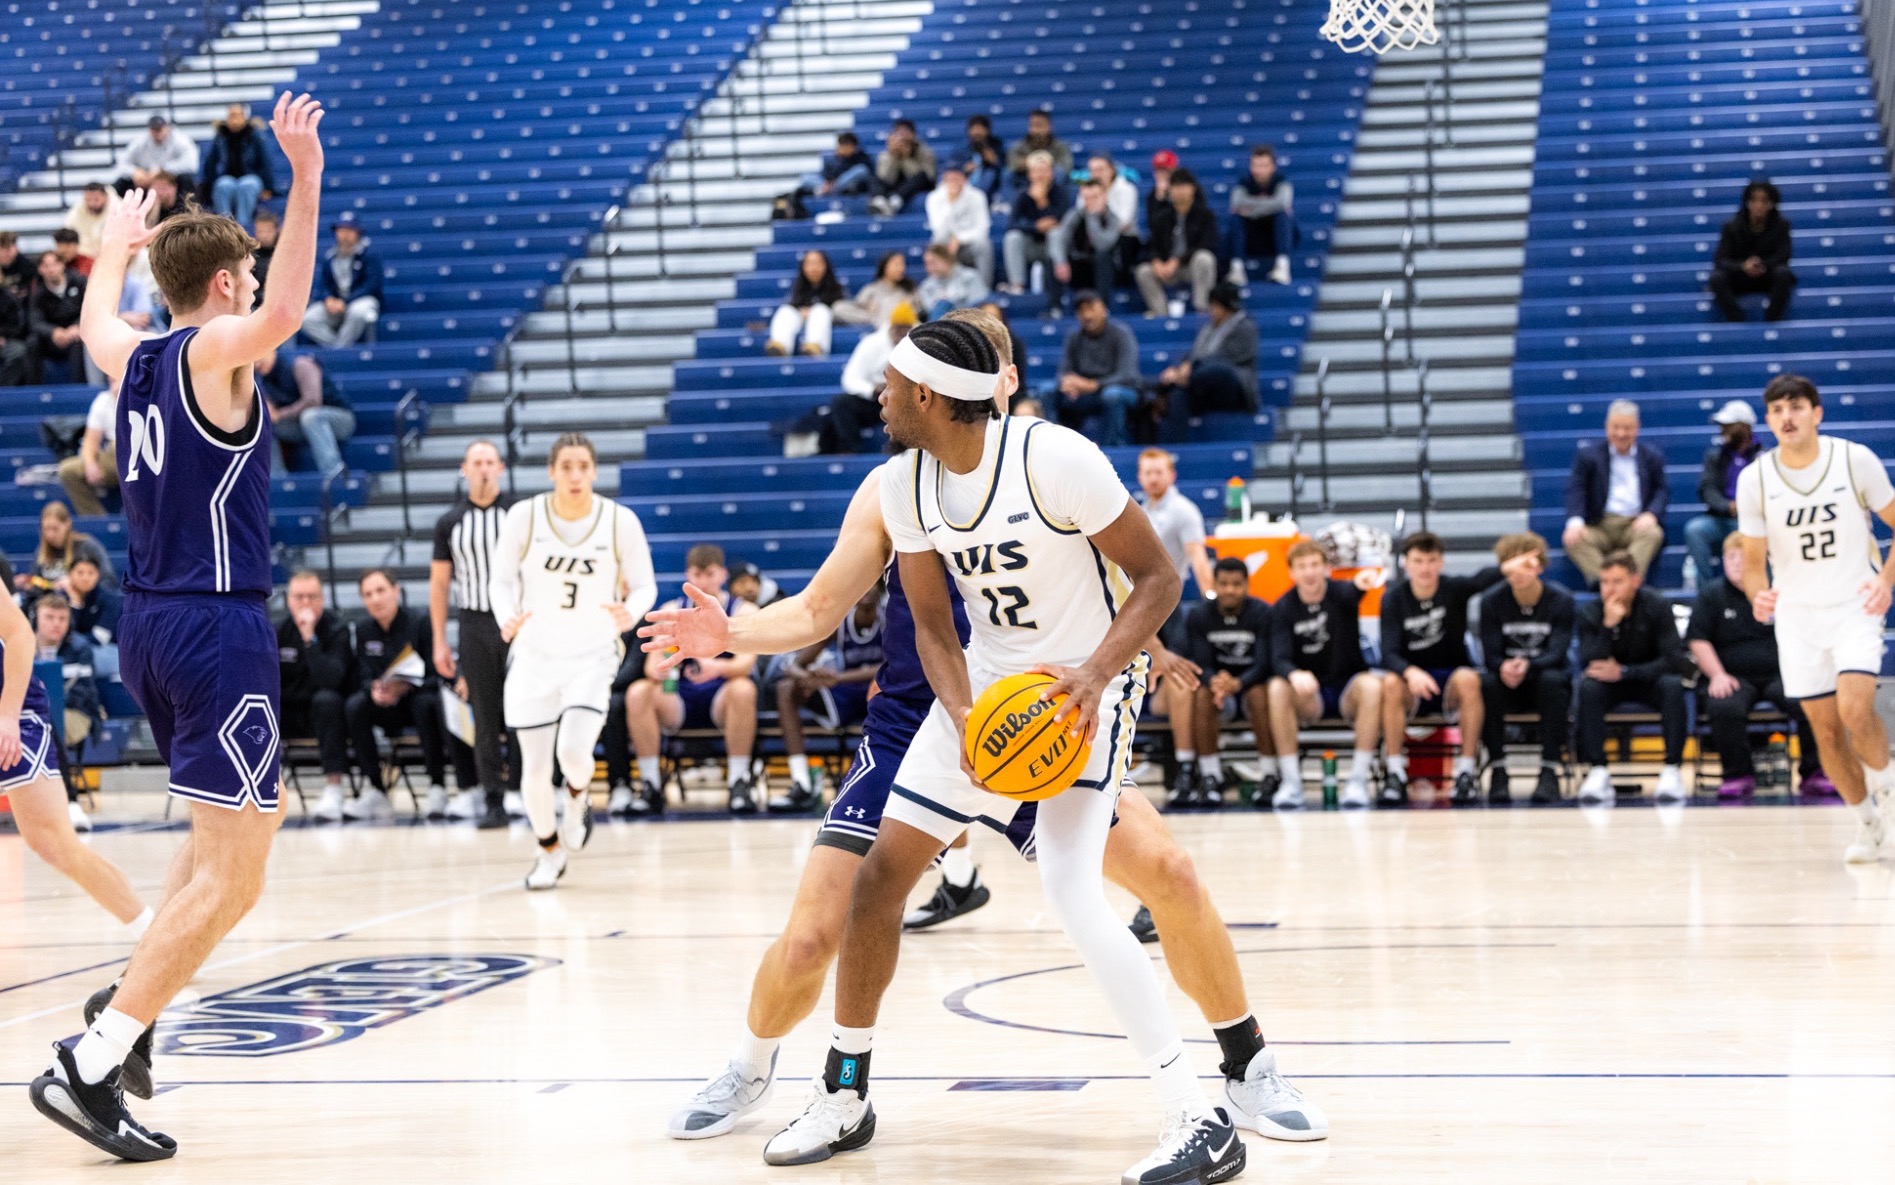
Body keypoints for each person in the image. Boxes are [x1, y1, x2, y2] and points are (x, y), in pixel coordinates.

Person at [646, 310, 1323, 1155]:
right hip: (938, 710)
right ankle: (794, 1077)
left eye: (894, 380)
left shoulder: (1054, 460)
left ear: (962, 388)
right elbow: (843, 611)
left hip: (1052, 707)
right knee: (842, 909)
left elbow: (1137, 577)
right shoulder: (899, 484)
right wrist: (734, 634)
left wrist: (1114, 665)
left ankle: (1242, 1070)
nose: (878, 391)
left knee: (1165, 875)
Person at [30, 92, 325, 1164]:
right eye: (243, 271)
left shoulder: (135, 357)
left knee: (211, 849)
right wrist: (304, 178)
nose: (251, 284)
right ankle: (95, 1056)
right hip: (215, 626)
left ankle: (130, 1011)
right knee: (238, 875)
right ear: (224, 284)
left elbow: (98, 319)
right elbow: (286, 311)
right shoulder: (209, 353)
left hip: (151, 628)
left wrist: (113, 242)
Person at [1735, 374, 1895, 863]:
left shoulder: (1853, 459)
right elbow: (1753, 562)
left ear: (1817, 413)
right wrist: (1758, 595)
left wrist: (1886, 581)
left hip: (1854, 605)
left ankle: (1889, 792)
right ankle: (1867, 823)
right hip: (1798, 618)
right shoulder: (1755, 479)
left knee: (1854, 709)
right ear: (1768, 420)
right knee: (1824, 730)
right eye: (1777, 410)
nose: (1787, 417)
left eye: (1796, 407)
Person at [490, 433, 657, 886]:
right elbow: (500, 581)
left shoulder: (619, 521)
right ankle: (548, 851)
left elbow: (645, 585)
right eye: (566, 466)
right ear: (551, 472)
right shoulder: (525, 517)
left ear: (594, 471)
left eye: (583, 466)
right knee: (534, 765)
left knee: (573, 752)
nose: (575, 475)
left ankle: (578, 794)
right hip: (534, 654)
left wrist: (631, 611)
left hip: (592, 654)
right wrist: (506, 617)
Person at [0, 575, 149, 950]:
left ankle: (154, 936)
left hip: (11, 707)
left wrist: (8, 715)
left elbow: (19, 635)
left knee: (54, 843)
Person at [1687, 531, 1828, 799]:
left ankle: (1814, 772)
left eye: (1742, 557)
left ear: (1759, 561)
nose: (1736, 563)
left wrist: (1801, 669)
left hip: (1781, 674)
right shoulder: (1712, 595)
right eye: (1730, 557)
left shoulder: (1779, 591)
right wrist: (1717, 675)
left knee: (1809, 699)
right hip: (1733, 676)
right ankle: (1737, 775)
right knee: (1724, 704)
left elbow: (1804, 632)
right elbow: (1698, 640)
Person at [623, 544, 760, 815]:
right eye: (697, 575)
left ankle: (739, 781)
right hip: (679, 697)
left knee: (744, 689)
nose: (703, 581)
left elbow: (745, 664)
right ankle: (650, 784)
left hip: (721, 697)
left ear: (722, 575)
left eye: (710, 574)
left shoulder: (742, 610)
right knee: (638, 692)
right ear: (688, 576)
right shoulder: (674, 609)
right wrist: (661, 669)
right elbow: (651, 666)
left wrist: (717, 667)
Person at [1376, 531, 1502, 807]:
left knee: (1470, 679)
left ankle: (1465, 772)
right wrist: (1410, 671)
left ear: (1441, 562)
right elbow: (1388, 652)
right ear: (1405, 563)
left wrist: (1510, 565)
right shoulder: (1393, 598)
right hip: (1412, 682)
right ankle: (1395, 772)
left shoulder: (1453, 589)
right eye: (1418, 561)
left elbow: (1483, 578)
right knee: (1390, 683)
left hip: (1449, 680)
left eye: (1431, 560)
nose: (1425, 568)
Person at [429, 440, 518, 829]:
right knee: (483, 713)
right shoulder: (450, 522)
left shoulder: (518, 515)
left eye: (489, 461)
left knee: (523, 707)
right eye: (476, 462)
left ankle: (524, 789)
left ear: (500, 468)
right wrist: (439, 640)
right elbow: (439, 585)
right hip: (473, 623)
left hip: (515, 620)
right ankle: (493, 798)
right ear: (464, 469)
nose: (483, 468)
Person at [333, 568, 460, 822]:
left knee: (427, 704)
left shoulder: (420, 622)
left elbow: (437, 675)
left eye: (380, 590)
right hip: (384, 704)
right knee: (355, 706)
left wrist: (407, 687)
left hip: (415, 701)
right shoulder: (364, 629)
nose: (375, 599)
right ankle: (376, 789)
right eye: (368, 594)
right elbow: (363, 673)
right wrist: (374, 690)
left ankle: (437, 786)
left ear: (396, 591)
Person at [1266, 540, 1379, 808]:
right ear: (1292, 572)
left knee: (1373, 686)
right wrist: (1294, 673)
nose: (1309, 572)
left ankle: (1358, 781)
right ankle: (1292, 783)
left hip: (1347, 690)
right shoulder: (1283, 607)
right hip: (1309, 695)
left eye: (1315, 565)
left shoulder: (1341, 595)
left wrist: (1362, 582)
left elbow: (1355, 590)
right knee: (1277, 687)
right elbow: (1279, 658)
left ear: (1326, 568)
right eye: (1302, 566)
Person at [1573, 551, 1688, 805]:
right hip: (1610, 686)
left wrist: (1625, 672)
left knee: (1672, 686)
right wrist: (1608, 626)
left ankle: (1672, 769)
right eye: (1605, 582)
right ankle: (1598, 770)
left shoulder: (1657, 605)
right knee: (1589, 688)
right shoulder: (1591, 611)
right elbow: (1590, 661)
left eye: (1617, 581)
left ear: (1635, 581)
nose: (1609, 589)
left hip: (1649, 681)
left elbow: (1672, 660)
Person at [1477, 532, 1576, 805]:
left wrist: (1528, 665)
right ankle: (1498, 770)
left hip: (1542, 681)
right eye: (1512, 566)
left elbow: (1557, 653)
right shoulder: (1491, 601)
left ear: (1540, 567)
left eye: (1526, 565)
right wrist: (1504, 666)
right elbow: (1490, 655)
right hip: (1507, 682)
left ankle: (1548, 770)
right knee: (1485, 683)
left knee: (1553, 680)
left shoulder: (1561, 600)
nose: (1519, 574)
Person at [1172, 557, 1275, 809]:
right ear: (1215, 585)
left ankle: (1270, 773)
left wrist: (1238, 683)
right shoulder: (1199, 615)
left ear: (1247, 585)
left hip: (1250, 684)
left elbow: (1265, 663)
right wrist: (1216, 682)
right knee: (1202, 694)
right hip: (1217, 689)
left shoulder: (1263, 613)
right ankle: (1211, 775)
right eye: (1224, 584)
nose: (1230, 590)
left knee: (1259, 694)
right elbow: (1200, 662)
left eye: (1236, 584)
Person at [772, 583, 884, 812]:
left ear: (881, 588)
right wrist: (810, 677)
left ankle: (887, 785)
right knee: (786, 689)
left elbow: (890, 665)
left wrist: (838, 677)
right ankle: (801, 781)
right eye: (862, 585)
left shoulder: (890, 617)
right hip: (845, 695)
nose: (865, 590)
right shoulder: (841, 622)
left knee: (894, 685)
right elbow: (794, 666)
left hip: (880, 692)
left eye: (871, 585)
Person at [1561, 398, 1668, 584]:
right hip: (1599, 524)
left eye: (1627, 428)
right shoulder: (1588, 456)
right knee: (1574, 539)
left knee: (1653, 533)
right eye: (1616, 427)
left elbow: (1662, 489)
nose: (1621, 433)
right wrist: (1575, 521)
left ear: (1637, 427)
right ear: (1606, 426)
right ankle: (1604, 582)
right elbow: (1576, 489)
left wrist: (1651, 514)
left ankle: (1628, 582)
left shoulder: (1651, 456)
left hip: (1634, 523)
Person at [277, 570, 354, 814]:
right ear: (288, 600)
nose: (305, 603)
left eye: (312, 597)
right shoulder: (278, 631)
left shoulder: (337, 629)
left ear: (322, 599)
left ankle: (334, 788)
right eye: (299, 597)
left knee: (327, 700)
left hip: (325, 716)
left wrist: (309, 639)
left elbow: (330, 680)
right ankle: (258, 789)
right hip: (289, 713)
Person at [1156, 281, 1259, 442]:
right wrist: (1182, 368)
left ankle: (1178, 381)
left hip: (1233, 387)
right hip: (1202, 386)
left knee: (1216, 370)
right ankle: (1179, 447)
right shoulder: (1207, 329)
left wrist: (1190, 369)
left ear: (1226, 307)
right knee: (1178, 395)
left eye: (1215, 306)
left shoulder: (1245, 327)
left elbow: (1227, 358)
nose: (1212, 310)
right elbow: (1192, 354)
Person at [1684, 400, 1761, 584]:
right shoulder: (1714, 456)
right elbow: (1706, 490)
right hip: (1721, 519)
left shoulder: (1763, 457)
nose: (1722, 430)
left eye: (1728, 426)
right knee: (1695, 530)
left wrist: (1746, 507)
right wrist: (1728, 506)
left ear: (1744, 427)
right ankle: (1706, 592)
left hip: (1752, 520)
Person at [1053, 290, 1142, 447]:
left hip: (1121, 390)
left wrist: (1094, 384)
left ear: (1104, 309)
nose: (1087, 315)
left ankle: (1111, 449)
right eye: (1081, 311)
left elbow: (1127, 375)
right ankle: (1052, 445)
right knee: (1047, 391)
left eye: (1091, 308)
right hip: (1083, 392)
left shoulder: (1122, 333)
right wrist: (1068, 383)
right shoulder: (1073, 336)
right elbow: (1063, 371)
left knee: (1112, 395)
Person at [254, 346, 354, 478]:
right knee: (264, 426)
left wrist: (280, 414)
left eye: (258, 357)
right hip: (303, 424)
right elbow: (271, 414)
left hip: (340, 418)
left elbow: (313, 401)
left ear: (271, 350)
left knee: (311, 417)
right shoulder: (262, 380)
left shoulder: (300, 364)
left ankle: (333, 472)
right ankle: (277, 478)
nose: (256, 363)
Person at [829, 303, 916, 454]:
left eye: (905, 330)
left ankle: (909, 452)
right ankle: (850, 450)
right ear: (891, 327)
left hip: (903, 401)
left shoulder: (916, 345)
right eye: (899, 329)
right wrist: (872, 389)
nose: (901, 334)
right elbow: (850, 378)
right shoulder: (871, 344)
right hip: (875, 401)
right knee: (842, 403)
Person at [1135, 167, 1220, 315]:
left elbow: (1208, 244)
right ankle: (1161, 314)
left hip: (1191, 266)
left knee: (1205, 259)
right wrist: (1156, 261)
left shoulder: (1205, 215)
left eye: (1183, 186)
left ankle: (1202, 308)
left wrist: (1178, 260)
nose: (1179, 191)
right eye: (1175, 186)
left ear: (1192, 188)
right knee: (1143, 271)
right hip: (1168, 269)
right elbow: (1153, 244)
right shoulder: (1162, 217)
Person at [32, 592, 102, 771]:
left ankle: (61, 781)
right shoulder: (23, 646)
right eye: (49, 617)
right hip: (33, 713)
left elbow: (84, 694)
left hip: (76, 713)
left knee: (47, 726)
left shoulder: (81, 648)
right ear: (35, 618)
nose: (56, 623)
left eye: (62, 618)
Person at [1709, 179, 1795, 322]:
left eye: (1764, 201)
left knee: (1784, 274)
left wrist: (1761, 264)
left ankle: (1771, 322)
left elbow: (1783, 256)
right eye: (1754, 200)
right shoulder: (1731, 227)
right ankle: (1738, 321)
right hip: (1740, 277)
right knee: (1717, 278)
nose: (1759, 206)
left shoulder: (1782, 226)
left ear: (1771, 203)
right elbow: (1721, 260)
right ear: (1747, 202)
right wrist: (1743, 266)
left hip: (1767, 275)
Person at [299, 215, 382, 346]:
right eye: (341, 230)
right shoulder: (329, 257)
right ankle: (337, 348)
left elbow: (371, 285)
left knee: (358, 312)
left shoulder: (369, 255)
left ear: (358, 232)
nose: (345, 235)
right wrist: (328, 299)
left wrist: (346, 301)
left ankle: (340, 350)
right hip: (336, 304)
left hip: (361, 300)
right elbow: (323, 284)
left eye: (349, 230)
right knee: (307, 319)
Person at [1048, 177, 1127, 309]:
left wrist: (1092, 218)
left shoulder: (1113, 219)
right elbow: (1059, 238)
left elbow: (1102, 244)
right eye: (1086, 198)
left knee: (1103, 257)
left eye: (1095, 197)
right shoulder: (1075, 215)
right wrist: (1061, 262)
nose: (1090, 202)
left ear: (1105, 197)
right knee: (1054, 259)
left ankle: (1102, 307)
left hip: (1103, 269)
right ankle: (1055, 308)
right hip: (1078, 266)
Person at [1000, 151, 1070, 295]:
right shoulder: (1022, 196)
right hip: (1031, 245)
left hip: (1055, 245)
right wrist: (1035, 226)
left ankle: (1060, 281)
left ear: (1051, 173)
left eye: (1044, 171)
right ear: (1030, 174)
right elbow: (1012, 223)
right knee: (1012, 237)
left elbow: (1062, 219)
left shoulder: (1061, 193)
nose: (1040, 175)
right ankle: (1017, 286)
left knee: (1056, 233)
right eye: (1036, 171)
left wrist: (1042, 202)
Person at [15, 503, 114, 602]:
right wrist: (29, 584)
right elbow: (36, 583)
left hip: (83, 603)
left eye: (55, 529)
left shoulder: (87, 546)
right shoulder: (41, 551)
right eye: (46, 529)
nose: (50, 534)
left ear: (67, 524)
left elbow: (108, 579)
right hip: (50, 605)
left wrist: (77, 584)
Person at [1226, 145, 1295, 286]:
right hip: (1251, 237)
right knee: (1236, 219)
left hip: (1273, 237)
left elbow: (1282, 203)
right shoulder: (1244, 182)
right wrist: (1269, 205)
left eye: (1263, 166)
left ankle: (1282, 266)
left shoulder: (1282, 181)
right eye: (1255, 165)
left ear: (1272, 167)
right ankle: (1237, 269)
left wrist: (1251, 209)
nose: (1258, 170)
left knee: (1282, 216)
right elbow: (1236, 203)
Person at [199, 103, 276, 228]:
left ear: (245, 117)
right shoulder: (221, 136)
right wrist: (208, 185)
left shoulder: (255, 135)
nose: (235, 119)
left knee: (247, 185)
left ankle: (242, 225)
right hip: (228, 177)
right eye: (232, 115)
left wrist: (268, 187)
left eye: (238, 115)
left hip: (251, 177)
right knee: (222, 185)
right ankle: (224, 225)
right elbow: (210, 163)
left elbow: (266, 161)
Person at [923, 164, 994, 287]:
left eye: (956, 178)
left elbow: (982, 229)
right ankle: (938, 288)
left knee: (984, 244)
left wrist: (959, 238)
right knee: (936, 243)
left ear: (964, 179)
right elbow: (938, 228)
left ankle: (984, 289)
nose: (953, 182)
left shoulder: (977, 196)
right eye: (949, 179)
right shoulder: (934, 197)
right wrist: (951, 203)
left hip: (969, 245)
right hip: (946, 245)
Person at [766, 249, 843, 357]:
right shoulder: (797, 288)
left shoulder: (837, 288)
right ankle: (779, 346)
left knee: (820, 310)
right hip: (800, 320)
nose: (813, 268)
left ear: (826, 265)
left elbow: (840, 309)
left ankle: (814, 347)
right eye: (809, 264)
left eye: (817, 263)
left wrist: (812, 311)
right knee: (786, 311)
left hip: (825, 320)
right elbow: (794, 304)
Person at [58, 382, 119, 516]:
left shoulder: (145, 396)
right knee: (67, 471)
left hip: (142, 455)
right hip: (112, 457)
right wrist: (90, 463)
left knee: (119, 446)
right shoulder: (103, 400)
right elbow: (90, 440)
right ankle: (97, 520)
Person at [29, 250, 87, 382]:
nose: (51, 269)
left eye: (54, 264)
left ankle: (78, 389)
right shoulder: (38, 293)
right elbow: (35, 321)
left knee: (80, 343)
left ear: (62, 265)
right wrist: (53, 331)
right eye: (46, 266)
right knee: (32, 343)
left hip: (77, 333)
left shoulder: (79, 282)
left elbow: (90, 309)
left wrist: (77, 326)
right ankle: (33, 389)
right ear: (40, 269)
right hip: (52, 339)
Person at [112, 115, 199, 194]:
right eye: (154, 130)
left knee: (186, 179)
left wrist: (163, 169)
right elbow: (121, 164)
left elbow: (191, 164)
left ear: (167, 128)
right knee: (121, 183)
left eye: (159, 129)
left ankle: (186, 205)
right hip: (146, 180)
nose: (157, 133)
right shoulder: (139, 142)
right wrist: (135, 172)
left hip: (171, 179)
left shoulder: (180, 140)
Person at [869, 118, 935, 216]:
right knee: (874, 178)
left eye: (905, 132)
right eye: (898, 133)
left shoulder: (925, 152)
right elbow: (885, 177)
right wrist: (893, 156)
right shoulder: (886, 154)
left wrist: (906, 157)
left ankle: (893, 204)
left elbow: (928, 177)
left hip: (915, 186)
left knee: (921, 176)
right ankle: (880, 202)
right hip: (895, 184)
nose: (902, 137)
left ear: (913, 134)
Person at [832, 250, 915, 328]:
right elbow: (858, 306)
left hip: (899, 326)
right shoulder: (871, 289)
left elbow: (916, 310)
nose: (901, 268)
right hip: (873, 321)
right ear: (885, 266)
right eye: (896, 264)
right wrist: (872, 313)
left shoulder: (909, 289)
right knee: (838, 307)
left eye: (902, 265)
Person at [916, 242, 988, 321]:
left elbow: (980, 302)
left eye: (933, 263)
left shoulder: (970, 277)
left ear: (946, 260)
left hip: (970, 320)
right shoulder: (926, 286)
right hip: (940, 323)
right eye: (927, 264)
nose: (930, 268)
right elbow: (928, 310)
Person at [1003, 108, 1074, 185]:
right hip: (1025, 180)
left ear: (1049, 126)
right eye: (1033, 125)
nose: (1037, 131)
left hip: (1052, 182)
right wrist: (1029, 163)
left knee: (1060, 173)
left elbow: (1066, 167)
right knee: (1007, 174)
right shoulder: (1018, 146)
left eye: (1040, 125)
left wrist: (1045, 165)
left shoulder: (1061, 146)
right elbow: (1011, 164)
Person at [797, 132, 873, 200]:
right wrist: (829, 183)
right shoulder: (834, 159)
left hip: (847, 185)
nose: (842, 148)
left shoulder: (862, 157)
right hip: (832, 185)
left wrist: (837, 183)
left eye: (845, 145)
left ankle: (830, 190)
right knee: (805, 178)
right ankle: (828, 189)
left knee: (861, 170)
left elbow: (867, 174)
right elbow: (826, 175)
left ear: (853, 146)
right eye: (841, 145)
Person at [64, 558, 121, 646]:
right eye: (80, 573)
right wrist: (75, 603)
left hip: (102, 648)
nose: (85, 578)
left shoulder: (110, 599)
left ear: (98, 575)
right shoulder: (60, 597)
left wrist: (72, 642)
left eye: (91, 573)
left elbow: (100, 637)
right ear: (70, 574)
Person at [948, 114, 1006, 194]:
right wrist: (963, 168)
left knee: (990, 174)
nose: (977, 132)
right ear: (969, 131)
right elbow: (951, 166)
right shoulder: (961, 148)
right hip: (964, 181)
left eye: (981, 129)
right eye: (974, 129)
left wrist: (995, 162)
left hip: (989, 184)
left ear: (987, 131)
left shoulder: (996, 147)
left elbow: (1005, 169)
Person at [65, 183, 112, 258]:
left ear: (106, 197)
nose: (92, 204)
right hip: (86, 258)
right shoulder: (76, 214)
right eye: (88, 200)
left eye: (96, 200)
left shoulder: (118, 210)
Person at [0, 272, 28, 386]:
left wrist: (3, 335)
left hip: (5, 340)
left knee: (20, 351)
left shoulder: (9, 298)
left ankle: (4, 389)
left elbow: (17, 324)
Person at [250, 208, 279, 299]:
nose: (264, 235)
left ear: (276, 231)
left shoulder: (284, 254)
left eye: (268, 231)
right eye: (260, 231)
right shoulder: (249, 255)